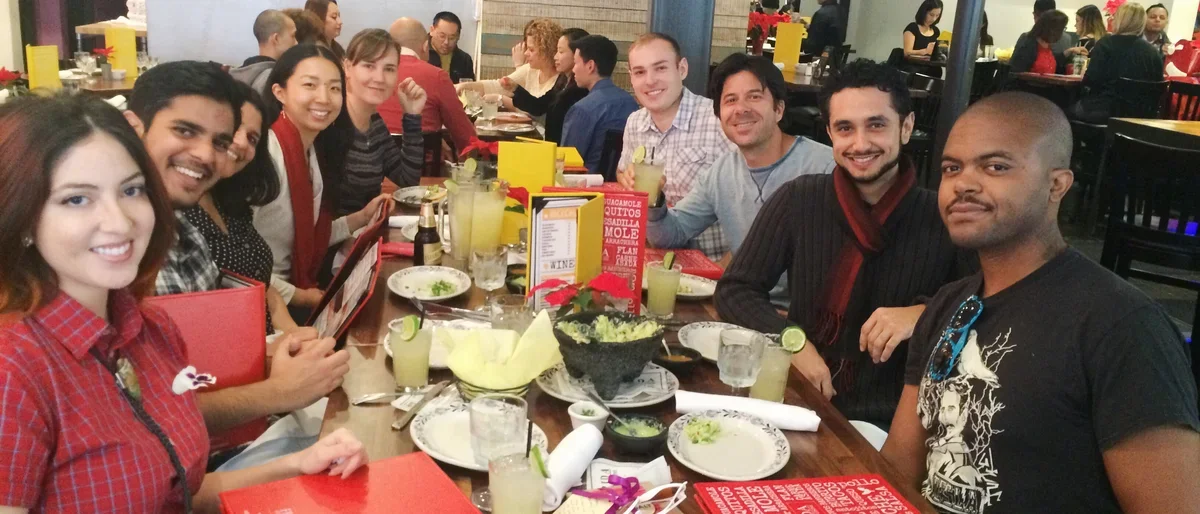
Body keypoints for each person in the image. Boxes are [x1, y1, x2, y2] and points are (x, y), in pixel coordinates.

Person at [0, 94, 369, 513]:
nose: (120, 221)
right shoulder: (15, 368)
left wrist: (300, 463)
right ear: (22, 217)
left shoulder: (149, 329)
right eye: (77, 199)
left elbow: (174, 495)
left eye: (131, 190)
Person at [880, 91, 1200, 513]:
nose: (964, 183)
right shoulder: (948, 305)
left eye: (996, 166)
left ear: (1057, 185)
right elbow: (896, 471)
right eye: (951, 168)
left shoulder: (1121, 325)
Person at [715, 59, 970, 428]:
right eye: (845, 128)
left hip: (896, 422)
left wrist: (923, 314)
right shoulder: (800, 199)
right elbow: (735, 290)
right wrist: (794, 342)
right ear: (831, 134)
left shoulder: (943, 216)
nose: (860, 143)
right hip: (800, 399)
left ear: (907, 127)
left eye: (876, 125)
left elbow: (991, 305)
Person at [126, 60, 351, 445]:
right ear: (133, 128)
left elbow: (202, 362)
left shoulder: (182, 227)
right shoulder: (123, 242)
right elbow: (152, 414)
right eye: (184, 131)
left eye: (219, 141)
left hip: (224, 436)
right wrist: (279, 390)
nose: (206, 154)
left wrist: (275, 352)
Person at [649, 53, 835, 306]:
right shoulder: (721, 173)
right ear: (720, 116)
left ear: (778, 109)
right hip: (745, 305)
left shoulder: (825, 167)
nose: (741, 109)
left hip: (807, 315)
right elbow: (672, 233)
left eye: (754, 97)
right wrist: (653, 200)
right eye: (730, 100)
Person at [254, 44, 390, 316]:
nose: (324, 98)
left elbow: (312, 236)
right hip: (267, 306)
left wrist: (361, 217)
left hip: (299, 289)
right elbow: (235, 266)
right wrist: (301, 297)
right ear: (279, 92)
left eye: (334, 88)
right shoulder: (264, 156)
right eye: (310, 85)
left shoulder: (314, 150)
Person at [185, 82, 298, 335]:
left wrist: (296, 336)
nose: (241, 143)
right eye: (232, 129)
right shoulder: (178, 214)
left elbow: (263, 287)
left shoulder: (231, 201)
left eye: (252, 138)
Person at [616, 33, 738, 262]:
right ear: (631, 77)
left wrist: (727, 271)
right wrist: (626, 178)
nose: (650, 80)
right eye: (640, 72)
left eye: (660, 68)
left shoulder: (718, 119)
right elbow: (623, 171)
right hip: (652, 257)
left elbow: (756, 200)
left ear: (682, 69)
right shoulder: (635, 122)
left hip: (710, 264)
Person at [338, 28, 425, 216]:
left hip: (366, 235)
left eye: (389, 69)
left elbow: (408, 180)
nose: (379, 78)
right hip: (336, 241)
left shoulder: (375, 123)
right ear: (347, 67)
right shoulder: (332, 123)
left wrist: (412, 116)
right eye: (369, 66)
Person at [377, 17, 478, 157]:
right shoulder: (437, 76)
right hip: (424, 170)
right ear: (425, 46)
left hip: (372, 169)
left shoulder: (371, 73)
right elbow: (466, 136)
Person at [1071, 2, 1164, 124]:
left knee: (1062, 112)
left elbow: (1091, 81)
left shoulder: (1106, 44)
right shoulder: (1153, 52)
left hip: (1103, 111)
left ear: (1119, 19)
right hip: (1140, 117)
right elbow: (1158, 86)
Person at [561, 35, 639, 174]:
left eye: (576, 63)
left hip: (587, 188)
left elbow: (566, 164)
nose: (573, 70)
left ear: (590, 66)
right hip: (625, 187)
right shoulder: (632, 103)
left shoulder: (582, 109)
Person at [511, 27, 590, 144]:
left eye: (561, 52)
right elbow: (540, 106)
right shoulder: (563, 80)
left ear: (577, 55)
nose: (555, 57)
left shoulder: (579, 88)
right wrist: (514, 88)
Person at [457, 18, 563, 102]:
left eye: (531, 50)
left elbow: (538, 113)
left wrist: (501, 99)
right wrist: (464, 86)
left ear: (547, 50)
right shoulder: (529, 70)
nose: (526, 53)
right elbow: (497, 86)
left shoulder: (562, 80)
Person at [232, 9, 298, 94]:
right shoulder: (273, 81)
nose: (296, 43)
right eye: (293, 36)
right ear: (276, 39)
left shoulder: (238, 74)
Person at [1011, 0, 1079, 73]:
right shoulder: (1028, 41)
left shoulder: (1046, 44)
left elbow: (1051, 63)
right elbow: (1016, 71)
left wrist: (1068, 51)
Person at [428, 11, 475, 84]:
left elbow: (470, 88)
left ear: (458, 36)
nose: (446, 42)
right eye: (442, 36)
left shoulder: (464, 60)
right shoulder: (420, 52)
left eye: (451, 38)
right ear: (431, 30)